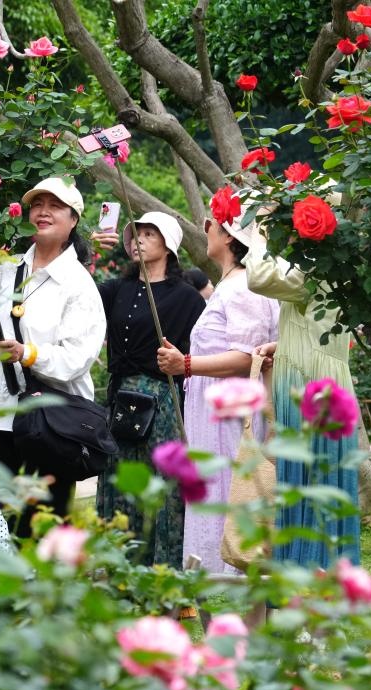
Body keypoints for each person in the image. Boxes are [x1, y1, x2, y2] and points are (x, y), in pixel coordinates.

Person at [0, 176, 106, 539]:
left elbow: (78, 357)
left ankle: (44, 595)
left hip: (50, 426)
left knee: (41, 532)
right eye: (38, 205)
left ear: (73, 220)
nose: (44, 212)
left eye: (55, 206)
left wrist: (29, 354)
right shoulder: (4, 269)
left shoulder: (79, 284)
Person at [156, 213, 280, 574]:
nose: (205, 228)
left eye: (210, 223)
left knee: (231, 500)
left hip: (232, 418)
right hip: (214, 418)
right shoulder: (229, 284)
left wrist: (187, 364)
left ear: (228, 236)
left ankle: (240, 598)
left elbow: (248, 355)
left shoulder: (243, 287)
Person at [96, 212, 205, 568]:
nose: (139, 239)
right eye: (136, 234)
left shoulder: (187, 298)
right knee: (120, 483)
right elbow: (77, 299)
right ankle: (120, 571)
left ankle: (166, 573)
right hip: (120, 400)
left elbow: (197, 355)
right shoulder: (115, 289)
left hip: (165, 400)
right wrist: (88, 251)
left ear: (168, 245)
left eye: (148, 233)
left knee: (165, 488)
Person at [244, 248, 361, 568]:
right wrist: (281, 345)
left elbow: (259, 277)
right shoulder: (338, 257)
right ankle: (327, 576)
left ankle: (308, 574)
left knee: (309, 481)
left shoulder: (315, 260)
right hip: (321, 373)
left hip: (309, 381)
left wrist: (260, 232)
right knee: (321, 480)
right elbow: (316, 324)